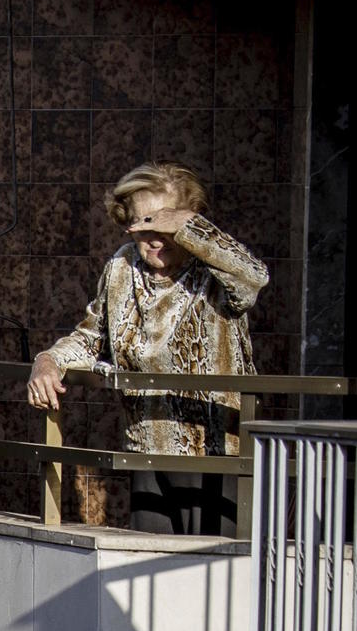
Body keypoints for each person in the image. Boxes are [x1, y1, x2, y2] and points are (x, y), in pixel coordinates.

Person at [26, 162, 269, 536]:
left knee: (217, 578)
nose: (155, 237)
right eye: (144, 225)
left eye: (165, 224)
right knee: (151, 575)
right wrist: (48, 361)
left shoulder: (212, 270)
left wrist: (188, 228)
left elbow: (254, 277)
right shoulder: (122, 267)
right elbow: (92, 338)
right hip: (147, 449)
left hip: (219, 457)